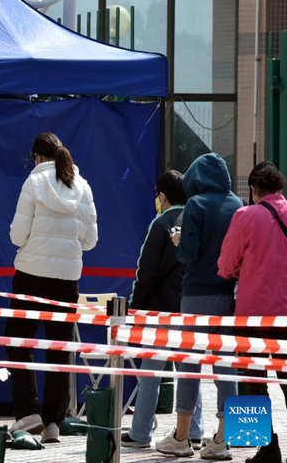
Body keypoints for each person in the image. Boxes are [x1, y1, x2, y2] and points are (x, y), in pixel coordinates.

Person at [4, 132, 98, 444]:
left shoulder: (32, 183)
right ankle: (54, 421)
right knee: (61, 350)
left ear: (37, 157)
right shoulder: (83, 187)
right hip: (67, 279)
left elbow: (18, 237)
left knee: (19, 345)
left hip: (31, 274)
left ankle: (29, 413)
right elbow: (90, 241)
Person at [156, 153, 242, 459]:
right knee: (226, 367)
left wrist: (179, 242)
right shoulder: (238, 205)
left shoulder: (196, 205)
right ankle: (224, 439)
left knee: (189, 366)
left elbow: (189, 253)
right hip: (229, 295)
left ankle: (181, 437)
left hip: (196, 295)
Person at [121, 170, 205, 450]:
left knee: (150, 375)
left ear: (163, 196)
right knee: (190, 372)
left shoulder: (159, 224)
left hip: (159, 313)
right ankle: (194, 430)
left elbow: (146, 273)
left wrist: (135, 309)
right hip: (189, 307)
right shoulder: (195, 221)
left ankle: (141, 432)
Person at [218, 161, 287, 463]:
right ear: (280, 188)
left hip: (253, 314)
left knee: (251, 381)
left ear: (255, 189)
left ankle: (265, 449)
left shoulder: (245, 216)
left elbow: (225, 265)